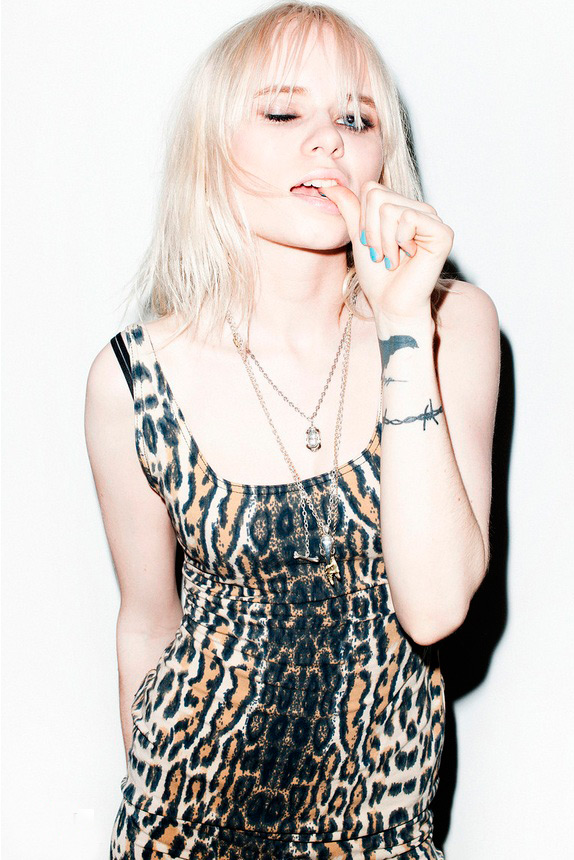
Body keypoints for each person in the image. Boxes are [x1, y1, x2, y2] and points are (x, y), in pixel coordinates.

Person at [84, 3, 500, 858]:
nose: (327, 141)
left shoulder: (451, 325)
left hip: (377, 833)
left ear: (383, 158)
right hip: (184, 823)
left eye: (357, 119)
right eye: (282, 112)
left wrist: (400, 327)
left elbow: (434, 609)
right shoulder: (134, 378)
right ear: (212, 147)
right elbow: (146, 623)